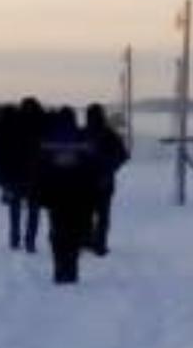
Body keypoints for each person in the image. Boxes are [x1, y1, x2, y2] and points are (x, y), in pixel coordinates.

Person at [34, 106, 102, 285]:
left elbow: (41, 167)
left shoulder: (48, 139)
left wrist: (40, 193)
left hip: (55, 194)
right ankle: (71, 271)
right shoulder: (82, 138)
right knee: (74, 233)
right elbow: (92, 167)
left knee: (57, 231)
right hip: (78, 194)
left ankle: (59, 270)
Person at [0, 97, 45, 252]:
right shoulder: (41, 125)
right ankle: (30, 242)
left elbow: (1, 150)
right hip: (35, 175)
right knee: (34, 210)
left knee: (15, 208)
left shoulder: (12, 124)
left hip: (15, 174)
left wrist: (2, 173)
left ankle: (14, 239)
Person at [82, 102, 129, 256]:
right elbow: (123, 155)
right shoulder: (109, 134)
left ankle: (86, 240)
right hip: (105, 182)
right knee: (103, 216)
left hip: (84, 183)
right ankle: (100, 245)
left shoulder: (82, 134)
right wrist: (111, 168)